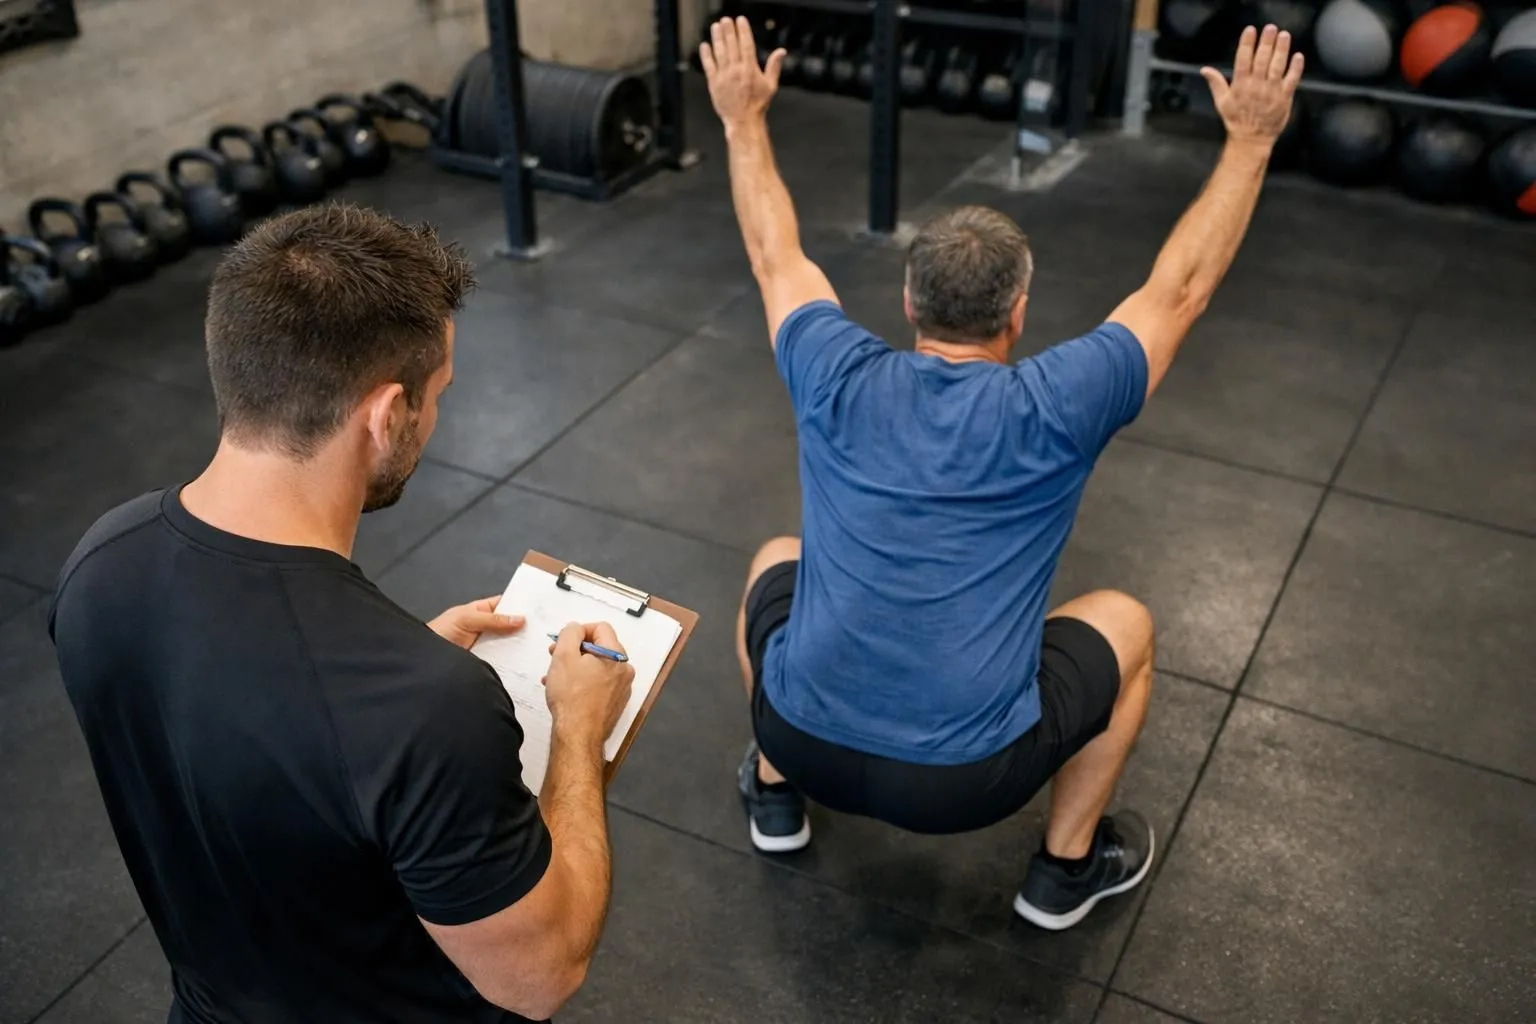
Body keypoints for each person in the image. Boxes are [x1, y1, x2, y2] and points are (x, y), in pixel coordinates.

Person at [699, 17, 1301, 929]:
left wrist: (744, 121)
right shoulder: (1058, 402)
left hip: (799, 731)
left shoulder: (832, 367)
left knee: (772, 559)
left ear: (907, 304)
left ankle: (776, 793)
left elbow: (773, 252)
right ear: (1018, 313)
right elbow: (1180, 288)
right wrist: (1251, 141)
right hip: (967, 785)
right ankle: (1065, 871)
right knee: (1126, 626)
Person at [49, 204, 635, 1023]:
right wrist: (577, 732)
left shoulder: (99, 564)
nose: (435, 418)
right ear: (385, 413)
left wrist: (379, 712)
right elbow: (541, 976)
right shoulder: (422, 709)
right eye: (435, 398)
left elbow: (237, 735)